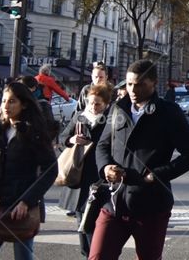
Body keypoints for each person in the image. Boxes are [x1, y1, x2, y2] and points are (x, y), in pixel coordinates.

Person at [89, 59, 189, 260]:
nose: (133, 89)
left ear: (153, 83)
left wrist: (156, 175)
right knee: (98, 256)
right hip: (114, 202)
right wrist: (106, 167)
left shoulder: (169, 112)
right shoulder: (117, 109)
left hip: (151, 205)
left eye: (139, 84)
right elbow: (102, 145)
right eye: (129, 84)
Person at [0, 81, 58, 260]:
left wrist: (27, 201)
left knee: (23, 254)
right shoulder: (0, 130)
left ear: (24, 104)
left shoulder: (34, 132)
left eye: (12, 101)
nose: (6, 106)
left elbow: (50, 170)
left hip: (22, 203)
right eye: (3, 101)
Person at [63, 83, 113, 257]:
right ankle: (87, 254)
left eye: (97, 103)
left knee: (97, 223)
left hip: (100, 178)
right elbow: (63, 138)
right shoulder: (79, 116)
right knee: (81, 221)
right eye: (90, 102)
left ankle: (95, 254)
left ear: (106, 104)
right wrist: (72, 139)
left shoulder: (111, 120)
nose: (92, 106)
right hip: (79, 176)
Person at [17, 75, 60, 144]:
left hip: (35, 145)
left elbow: (49, 127)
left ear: (33, 88)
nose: (21, 91)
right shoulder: (22, 101)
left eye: (24, 88)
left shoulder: (42, 104)